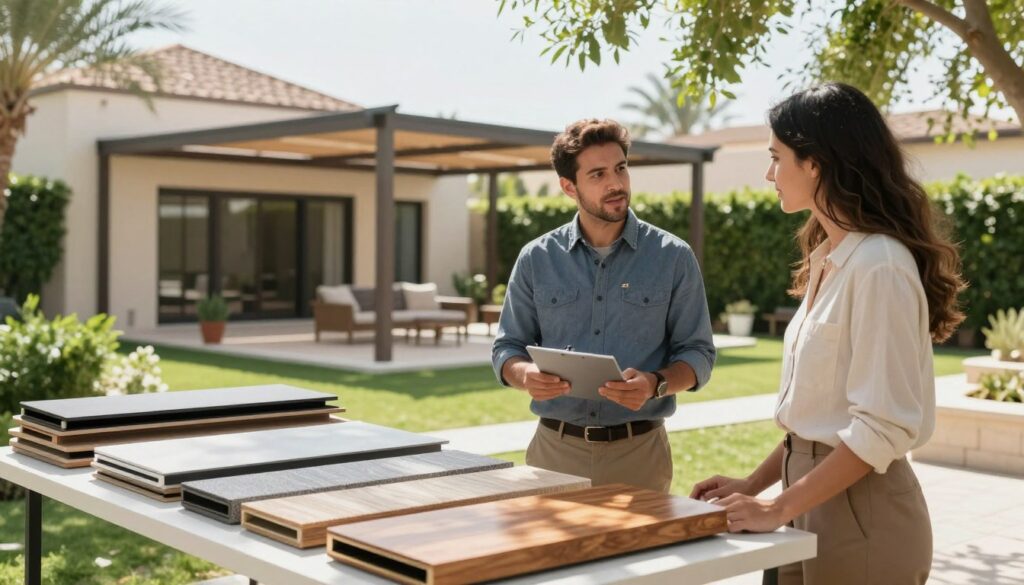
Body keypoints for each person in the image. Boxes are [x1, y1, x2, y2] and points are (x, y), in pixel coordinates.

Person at [691, 82, 965, 585]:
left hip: (862, 517)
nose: (768, 173)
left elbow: (880, 427)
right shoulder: (829, 260)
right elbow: (817, 419)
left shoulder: (881, 266)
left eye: (777, 157)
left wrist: (778, 508)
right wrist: (755, 485)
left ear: (814, 163)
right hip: (807, 500)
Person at [491, 118, 716, 493]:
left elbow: (698, 354)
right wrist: (525, 375)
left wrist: (655, 383)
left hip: (640, 456)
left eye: (621, 169)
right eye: (597, 174)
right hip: (553, 454)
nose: (615, 184)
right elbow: (506, 347)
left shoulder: (673, 257)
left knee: (644, 555)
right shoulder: (536, 259)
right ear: (569, 186)